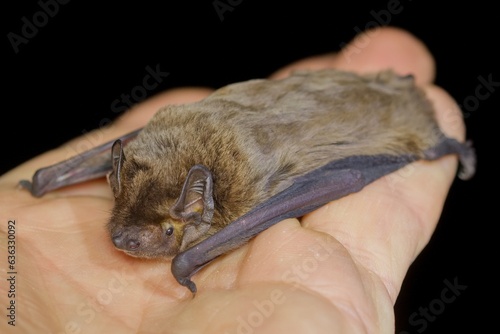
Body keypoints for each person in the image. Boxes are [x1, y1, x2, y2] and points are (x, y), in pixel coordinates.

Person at [0, 27, 466, 333]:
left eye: (163, 232)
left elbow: (337, 175)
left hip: (380, 122)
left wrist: (188, 258)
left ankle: (435, 141)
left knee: (380, 154)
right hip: (278, 109)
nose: (125, 238)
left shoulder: (241, 186)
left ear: (197, 210)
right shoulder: (157, 138)